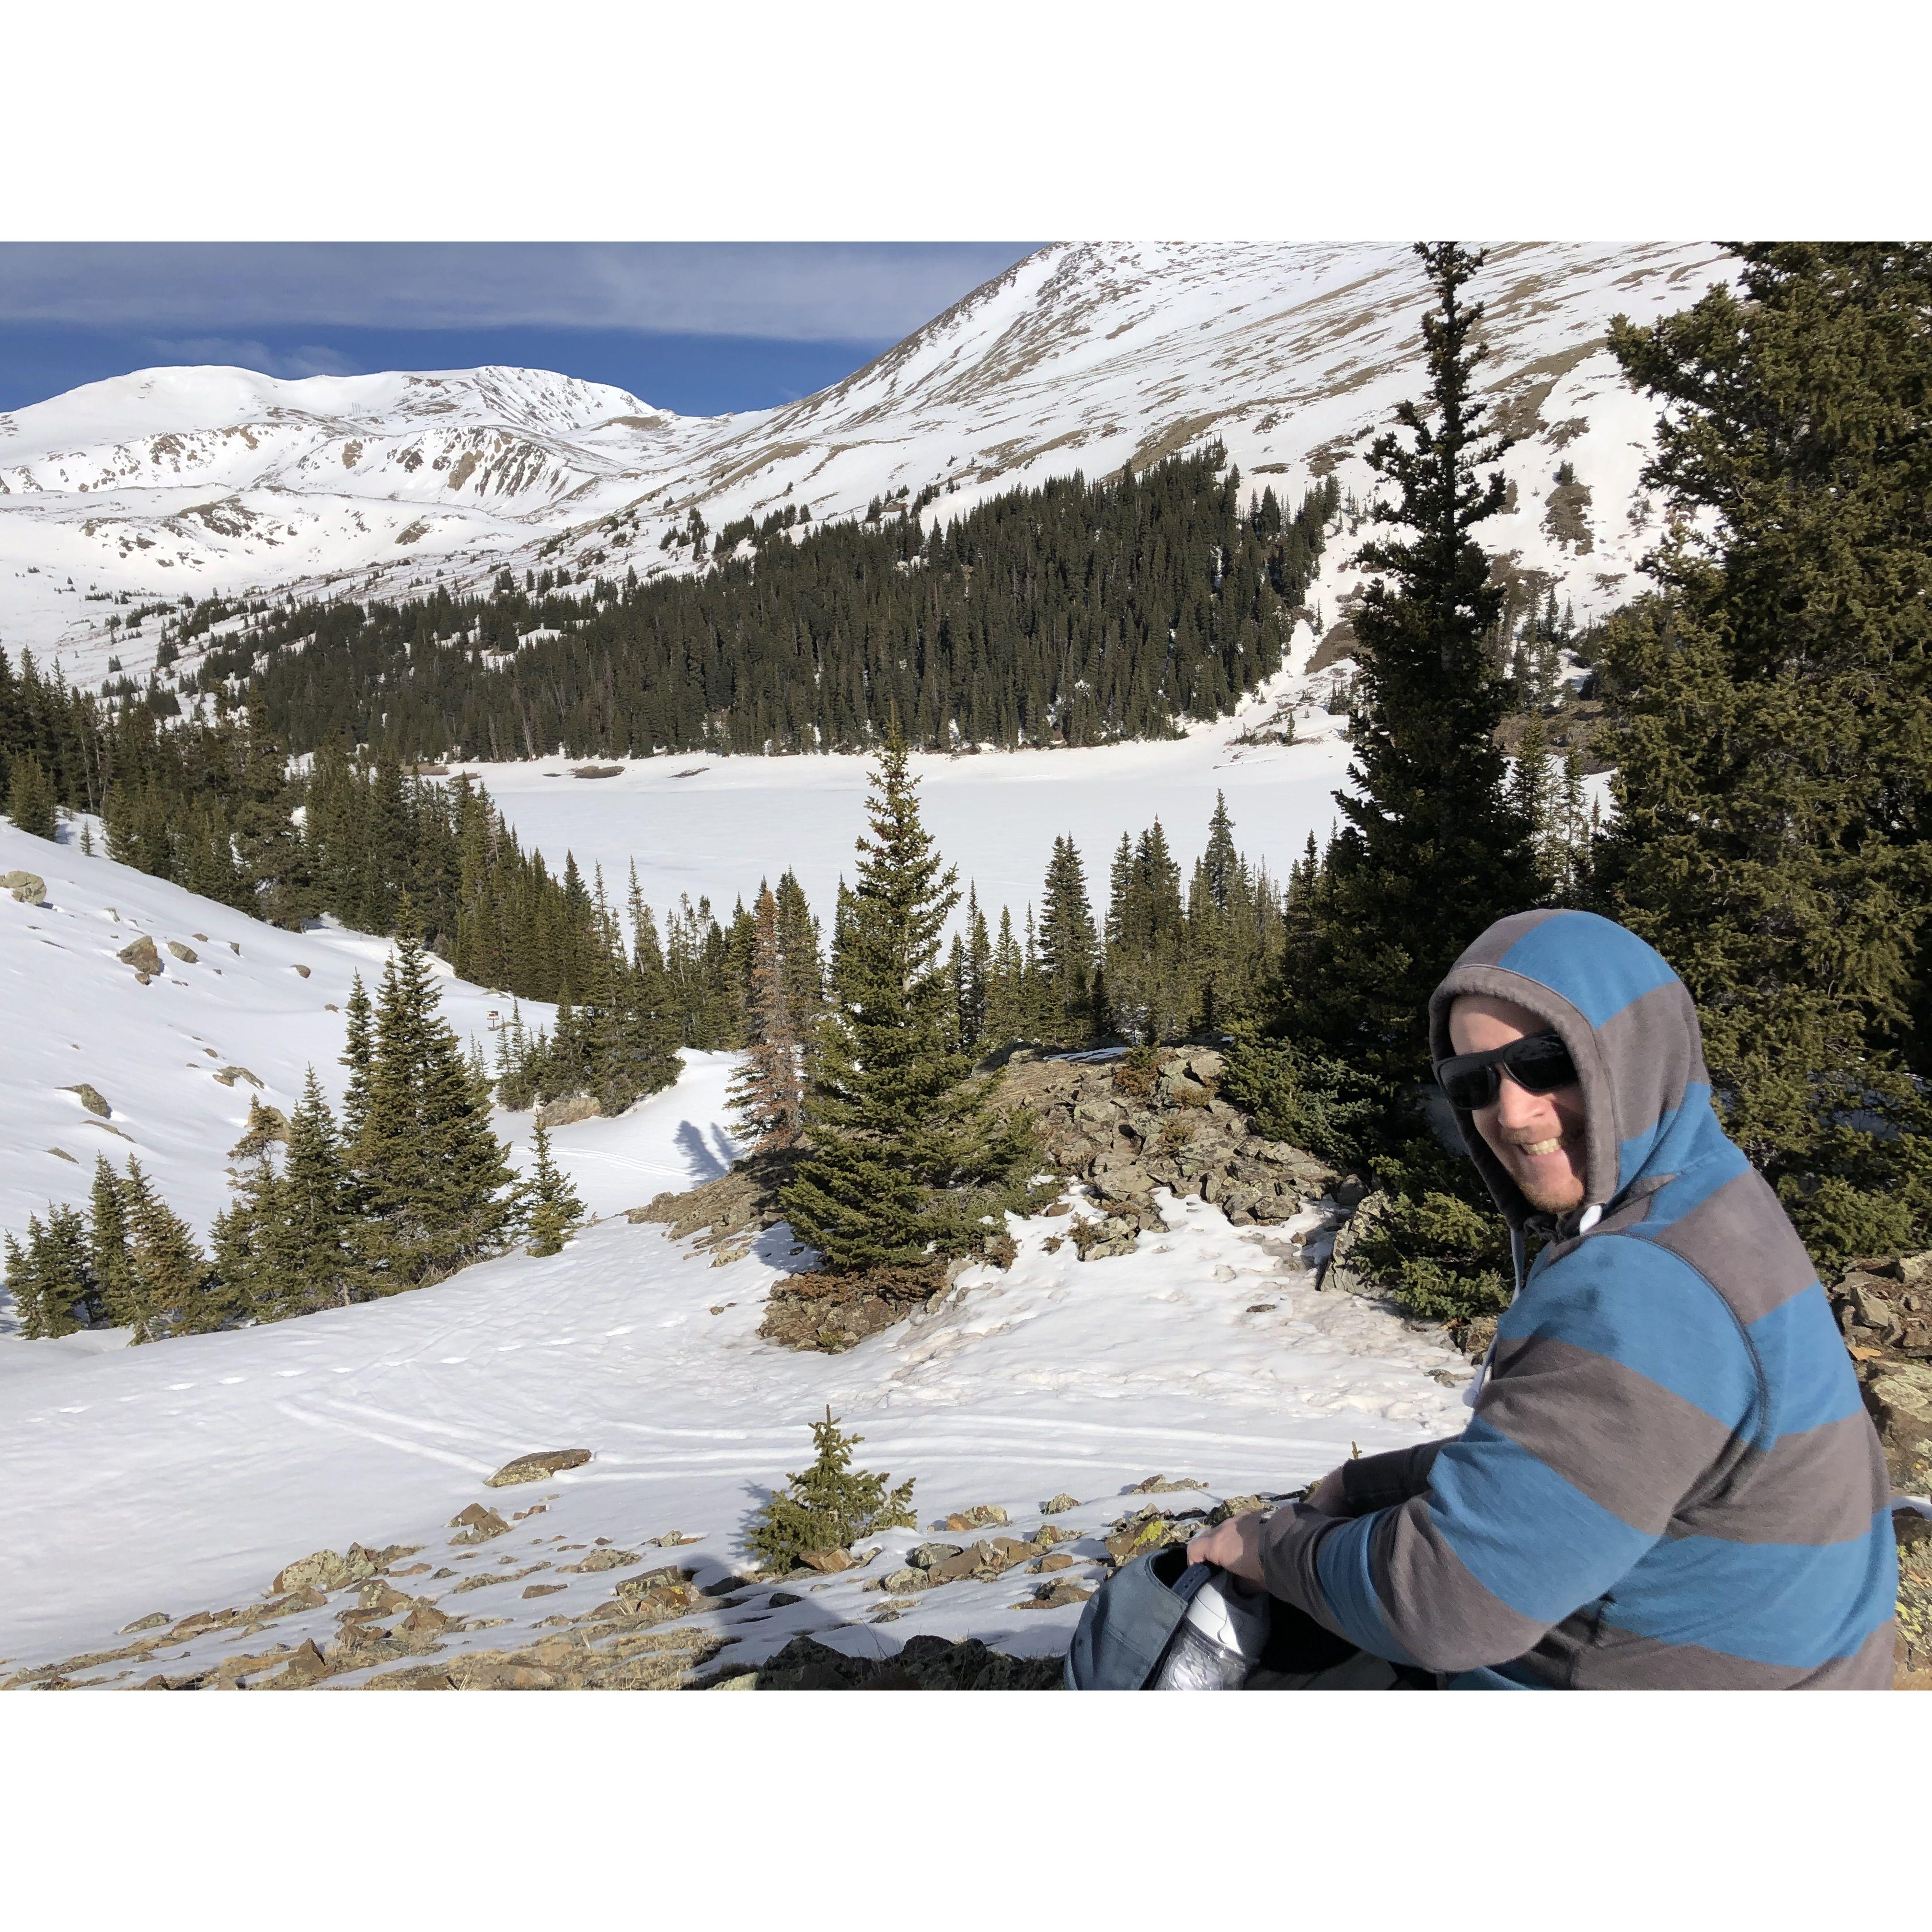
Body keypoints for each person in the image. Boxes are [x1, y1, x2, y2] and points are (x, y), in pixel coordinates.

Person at [1186, 907, 1899, 1689]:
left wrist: (1265, 1547)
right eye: (1475, 1081)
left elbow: (1446, 1608)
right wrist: (1365, 1489)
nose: (1512, 1112)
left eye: (1548, 1061)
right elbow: (1579, 1455)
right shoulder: (1712, 1199)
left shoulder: (1640, 1284)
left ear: (1631, 1054)